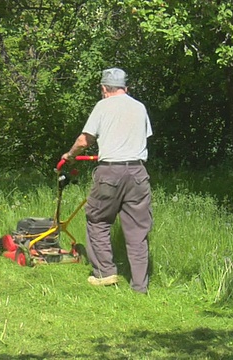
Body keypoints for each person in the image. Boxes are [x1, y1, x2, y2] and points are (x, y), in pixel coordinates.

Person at [62, 67, 153, 293]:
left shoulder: (103, 106)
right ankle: (140, 287)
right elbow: (143, 136)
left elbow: (85, 140)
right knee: (137, 231)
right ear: (126, 88)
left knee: (98, 219)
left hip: (111, 171)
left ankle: (105, 273)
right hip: (138, 173)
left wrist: (70, 156)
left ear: (104, 88)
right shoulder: (139, 107)